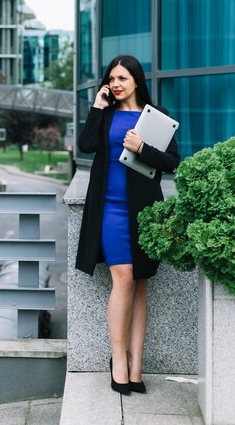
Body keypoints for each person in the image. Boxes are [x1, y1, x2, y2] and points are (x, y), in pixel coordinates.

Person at [75, 55, 180, 395]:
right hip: (109, 210)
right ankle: (118, 361)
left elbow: (172, 163)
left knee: (140, 283)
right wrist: (96, 104)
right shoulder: (104, 114)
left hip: (144, 210)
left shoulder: (157, 117)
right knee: (122, 278)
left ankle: (137, 366)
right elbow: (86, 145)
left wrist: (143, 148)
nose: (116, 84)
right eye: (111, 78)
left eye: (122, 78)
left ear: (136, 80)